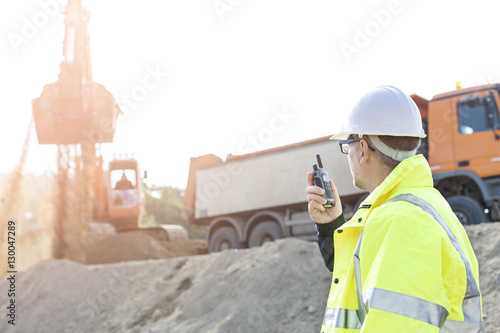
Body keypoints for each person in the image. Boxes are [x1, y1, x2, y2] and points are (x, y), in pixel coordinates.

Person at [306, 85, 483, 332]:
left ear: (363, 149)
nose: (348, 154)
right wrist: (332, 224)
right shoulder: (422, 205)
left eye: (348, 145)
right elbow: (360, 278)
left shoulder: (401, 222)